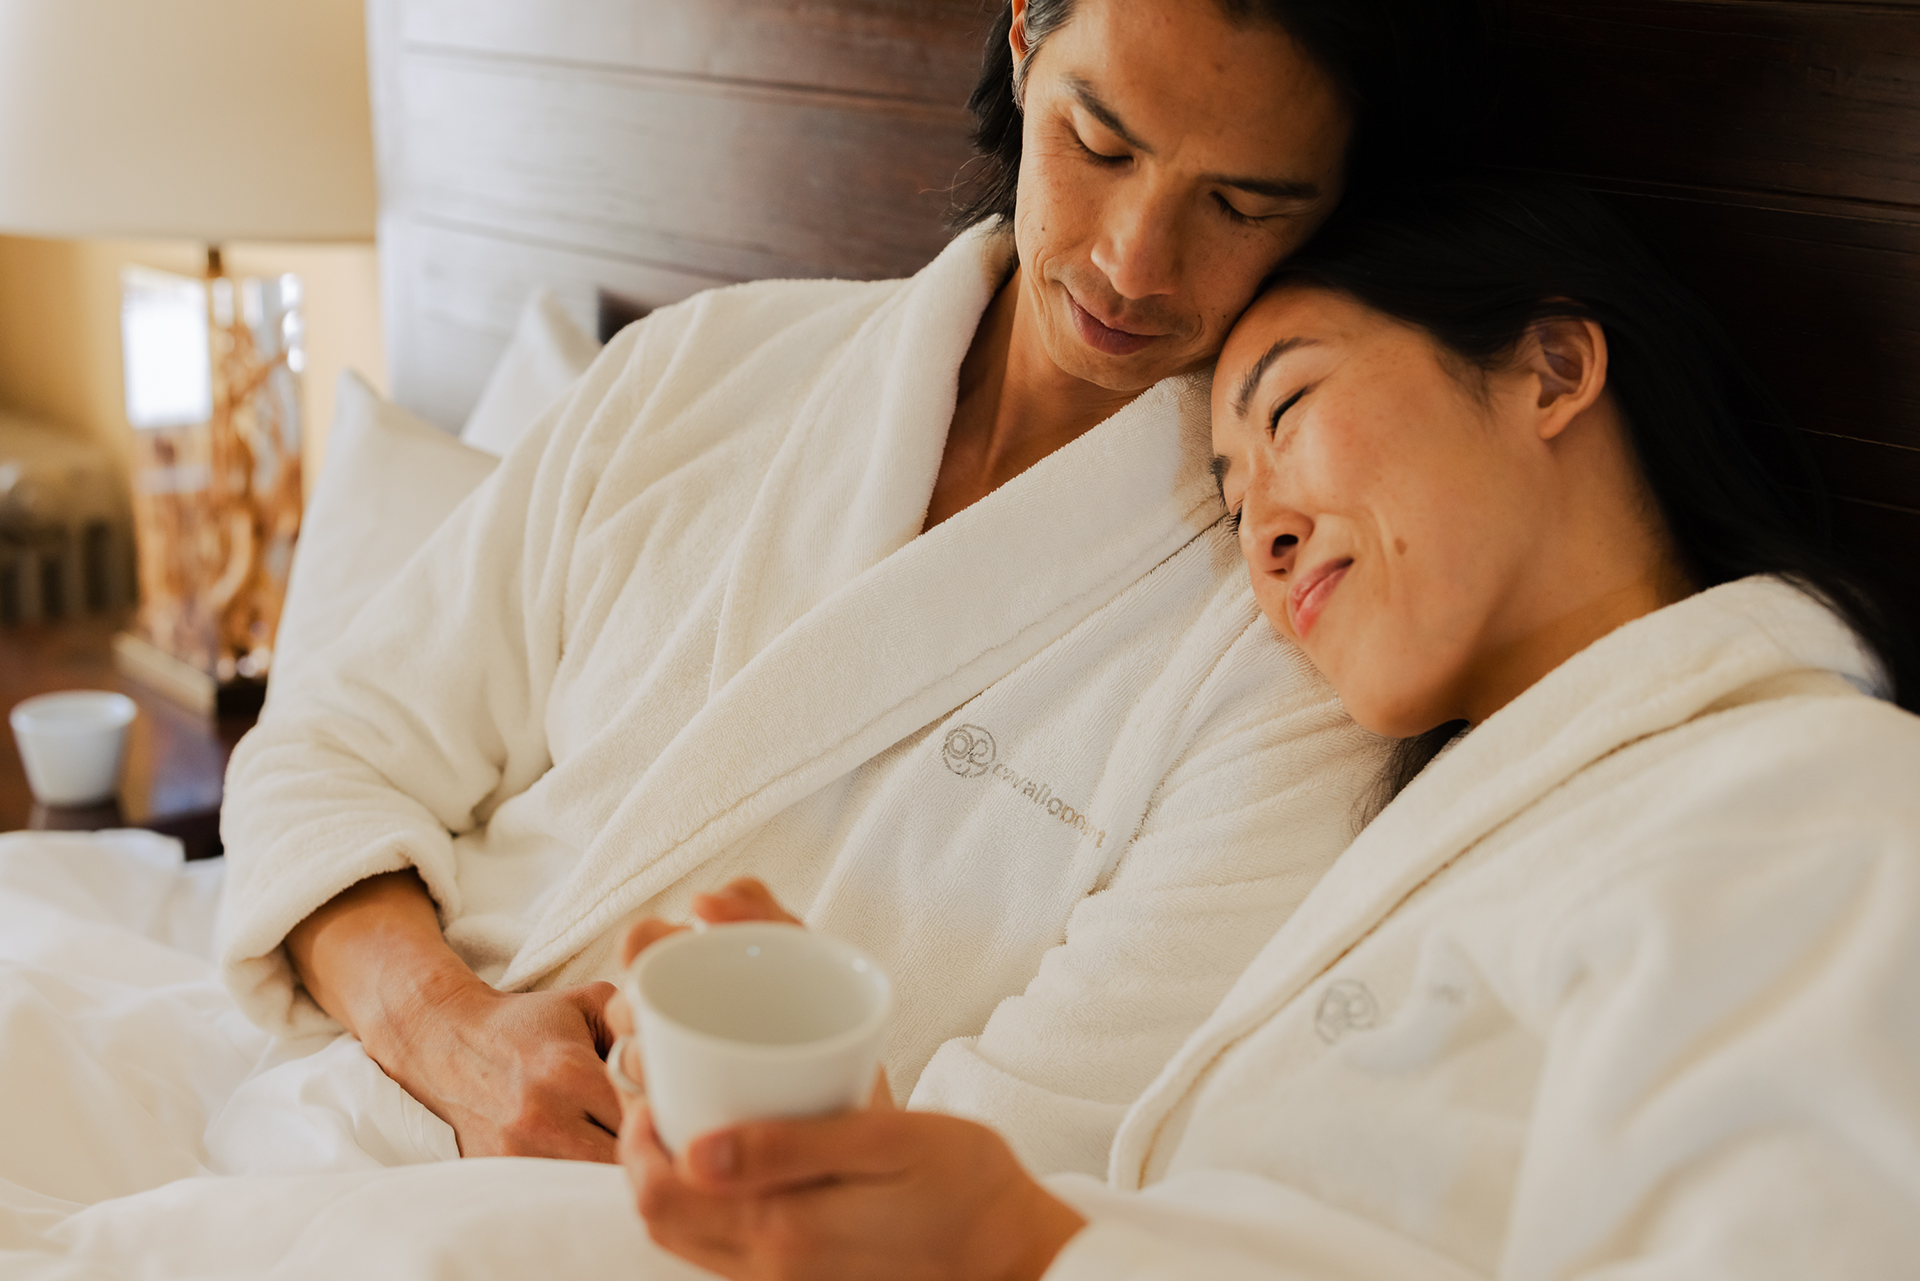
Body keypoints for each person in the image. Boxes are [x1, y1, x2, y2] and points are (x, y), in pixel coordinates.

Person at [216, 0, 1479, 1177]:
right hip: (350, 1094)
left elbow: (1035, 1158)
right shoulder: (698, 370)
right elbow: (322, 751)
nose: (1135, 261)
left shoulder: (1287, 636)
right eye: (1099, 145)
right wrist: (448, 1033)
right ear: (1026, 41)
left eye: (1243, 206)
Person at [610, 182, 1920, 1279]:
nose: (1265, 532)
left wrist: (1014, 1245)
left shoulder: (1822, 802)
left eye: (1288, 413)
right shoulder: (1466, 832)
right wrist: (869, 1166)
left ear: (1553, 369)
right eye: (1231, 500)